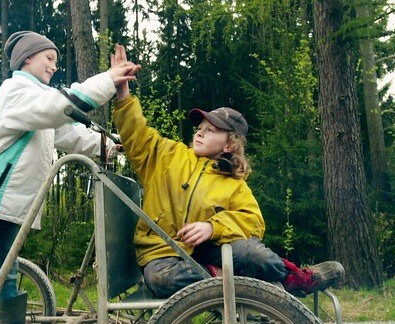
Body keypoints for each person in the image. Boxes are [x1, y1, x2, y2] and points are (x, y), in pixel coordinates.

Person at [0, 32, 138, 323]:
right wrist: (107, 80)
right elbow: (58, 107)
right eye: (49, 58)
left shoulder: (40, 101)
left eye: (55, 61)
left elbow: (68, 133)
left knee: (7, 275)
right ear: (27, 58)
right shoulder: (15, 91)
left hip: (10, 204)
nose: (54, 66)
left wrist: (110, 144)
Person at [110, 44, 344, 299]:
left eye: (210, 130)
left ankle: (298, 279)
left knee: (255, 254)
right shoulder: (167, 155)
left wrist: (212, 228)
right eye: (199, 127)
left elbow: (253, 222)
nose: (199, 132)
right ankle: (227, 281)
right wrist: (123, 92)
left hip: (212, 250)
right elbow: (136, 135)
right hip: (163, 253)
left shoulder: (234, 183)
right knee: (161, 279)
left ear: (230, 143)